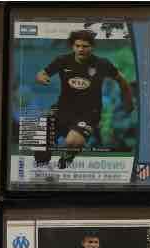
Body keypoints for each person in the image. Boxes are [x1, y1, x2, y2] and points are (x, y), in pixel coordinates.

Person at [34, 29, 133, 169]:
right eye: (78, 46)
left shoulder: (102, 64)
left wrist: (128, 102)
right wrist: (42, 78)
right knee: (40, 144)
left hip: (88, 113)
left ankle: (68, 156)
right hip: (62, 109)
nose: (81, 49)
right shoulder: (62, 60)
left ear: (92, 47)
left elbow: (122, 81)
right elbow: (41, 74)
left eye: (85, 46)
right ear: (73, 46)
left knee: (72, 142)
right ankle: (43, 160)